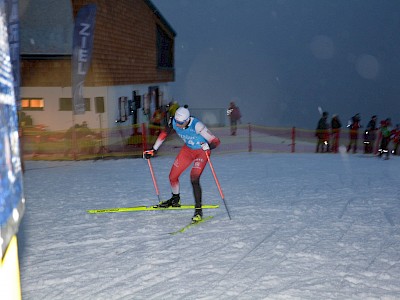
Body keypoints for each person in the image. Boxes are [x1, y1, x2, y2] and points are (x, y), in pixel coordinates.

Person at [143, 106, 221, 222]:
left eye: (180, 123)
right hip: (188, 150)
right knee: (172, 176)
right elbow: (164, 133)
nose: (178, 124)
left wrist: (208, 146)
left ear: (187, 120)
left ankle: (198, 211)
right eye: (177, 121)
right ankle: (175, 199)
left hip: (201, 152)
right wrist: (153, 149)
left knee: (194, 178)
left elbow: (216, 141)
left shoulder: (197, 126)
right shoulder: (173, 121)